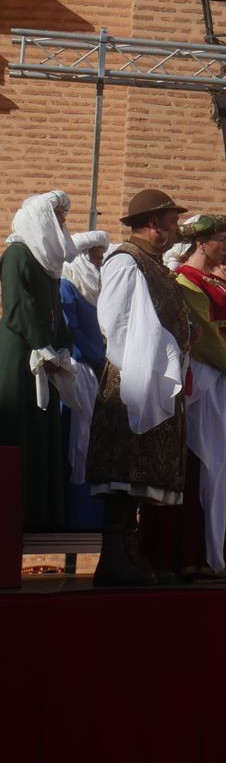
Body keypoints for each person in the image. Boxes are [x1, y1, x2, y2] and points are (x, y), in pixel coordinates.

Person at [146, 213, 226, 581]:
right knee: (210, 464)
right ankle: (199, 552)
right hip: (209, 384)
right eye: (221, 238)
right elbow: (207, 338)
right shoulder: (186, 280)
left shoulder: (221, 286)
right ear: (201, 243)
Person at [85, 189, 192, 587]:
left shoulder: (155, 264)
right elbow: (114, 321)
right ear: (152, 225)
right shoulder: (125, 261)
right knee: (123, 468)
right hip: (131, 380)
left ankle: (128, 554)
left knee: (139, 472)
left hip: (150, 377)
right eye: (171, 221)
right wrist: (146, 364)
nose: (176, 228)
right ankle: (113, 559)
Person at [2, 190, 82, 532]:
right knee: (20, 427)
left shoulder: (48, 261)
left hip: (45, 354)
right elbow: (19, 307)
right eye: (58, 216)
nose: (63, 222)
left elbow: (55, 313)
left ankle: (40, 514)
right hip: (21, 353)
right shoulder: (18, 252)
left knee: (43, 430)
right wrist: (42, 347)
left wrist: (61, 348)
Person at [59, 229, 110, 529]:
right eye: (95, 256)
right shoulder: (67, 285)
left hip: (94, 375)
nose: (99, 263)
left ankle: (92, 517)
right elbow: (70, 332)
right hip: (77, 375)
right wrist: (96, 357)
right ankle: (75, 517)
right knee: (77, 447)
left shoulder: (93, 290)